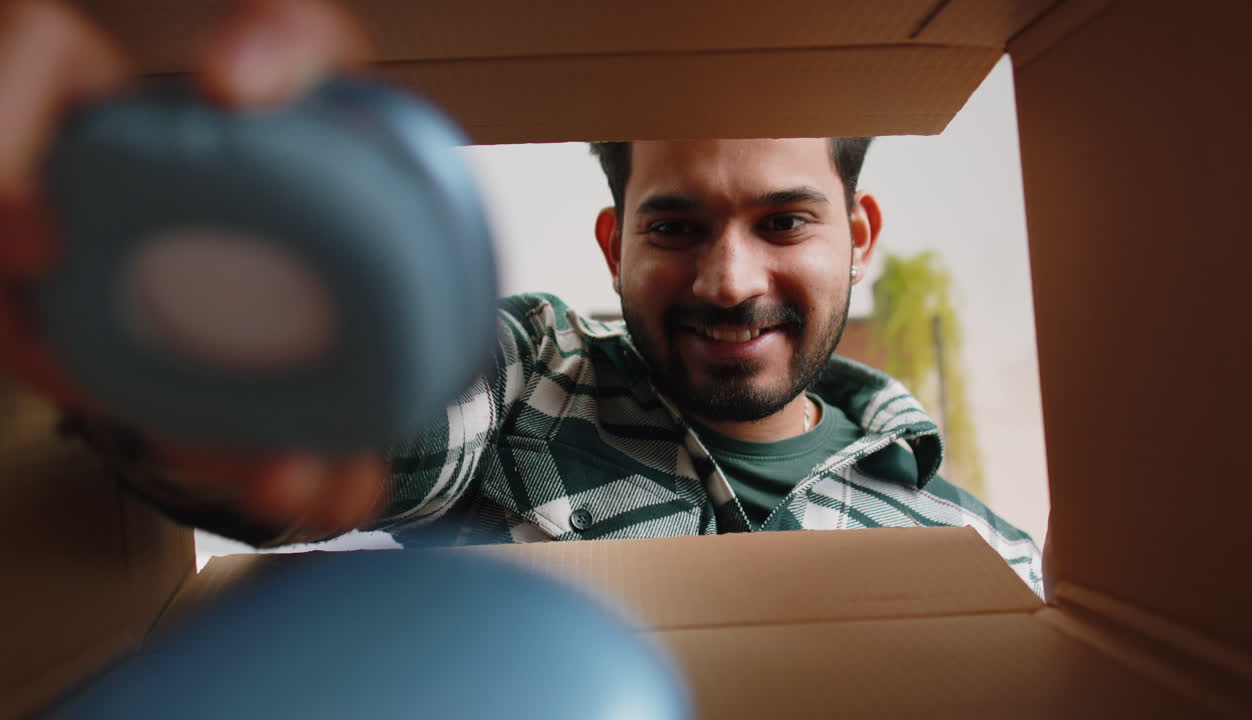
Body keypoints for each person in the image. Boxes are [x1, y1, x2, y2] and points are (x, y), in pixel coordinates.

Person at [0, 0, 1042, 594]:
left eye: (782, 221)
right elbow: (398, 434)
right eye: (675, 226)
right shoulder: (531, 374)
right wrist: (218, 327)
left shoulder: (983, 553)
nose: (729, 282)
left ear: (855, 238)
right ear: (613, 243)